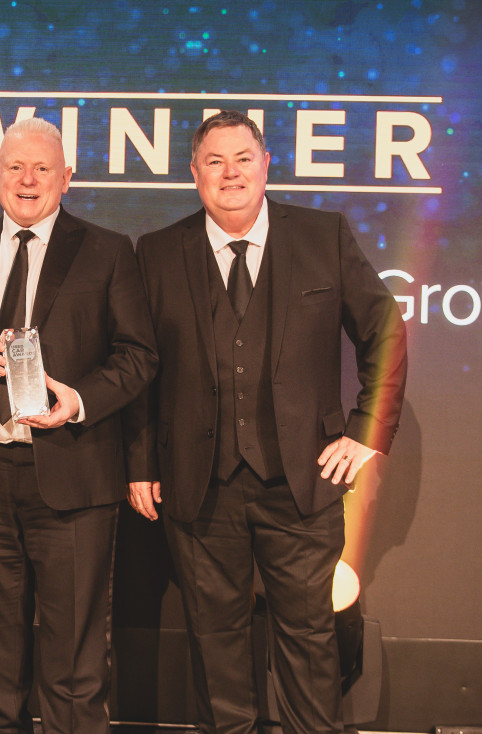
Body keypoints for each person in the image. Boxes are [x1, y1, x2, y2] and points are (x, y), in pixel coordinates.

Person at [125, 110, 407, 734]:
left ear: (266, 164)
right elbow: (140, 366)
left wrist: (366, 431)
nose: (231, 173)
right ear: (193, 173)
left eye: (243, 159)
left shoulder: (322, 235)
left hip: (300, 484)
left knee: (309, 645)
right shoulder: (158, 251)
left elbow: (384, 328)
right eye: (215, 162)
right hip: (199, 487)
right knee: (214, 645)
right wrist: (141, 461)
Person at [0, 117, 158, 734]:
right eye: (15, 167)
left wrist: (78, 400)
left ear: (67, 178)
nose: (28, 180)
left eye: (43, 168)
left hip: (74, 469)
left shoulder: (109, 250)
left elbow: (139, 355)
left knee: (75, 660)